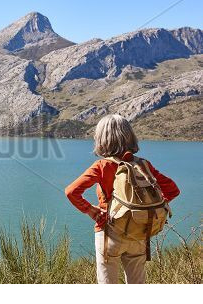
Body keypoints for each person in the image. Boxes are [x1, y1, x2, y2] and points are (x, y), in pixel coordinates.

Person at [64, 114, 180, 284]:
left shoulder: (102, 166)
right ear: (130, 136)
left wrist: (91, 210)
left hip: (109, 233)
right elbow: (173, 190)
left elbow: (71, 191)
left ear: (102, 139)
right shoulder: (143, 165)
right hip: (139, 233)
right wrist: (149, 207)